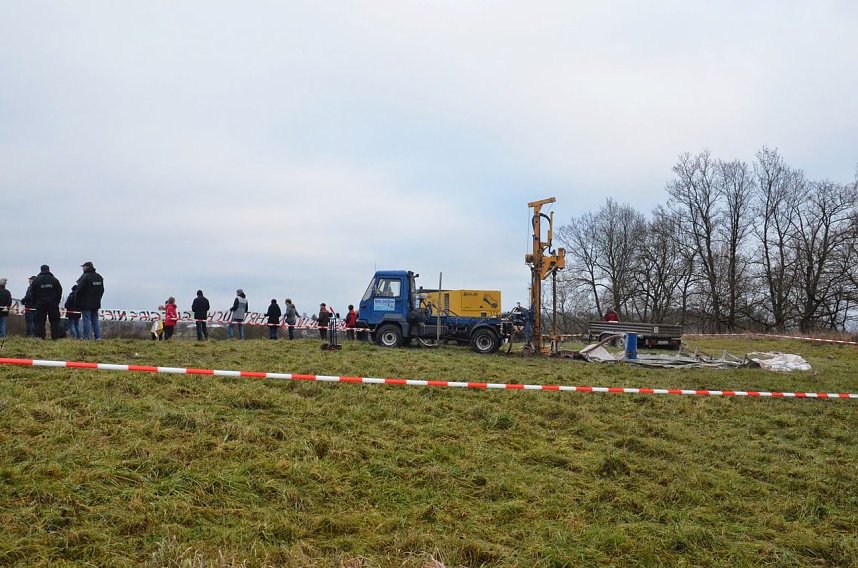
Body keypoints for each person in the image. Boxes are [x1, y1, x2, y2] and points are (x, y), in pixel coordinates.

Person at [32, 264, 63, 340]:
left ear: (41, 270)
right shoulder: (54, 280)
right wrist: (57, 301)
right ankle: (55, 337)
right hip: (53, 303)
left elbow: (33, 292)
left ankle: (41, 337)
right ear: (49, 270)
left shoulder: (36, 280)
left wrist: (35, 302)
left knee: (40, 321)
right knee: (55, 321)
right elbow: (59, 291)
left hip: (40, 304)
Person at [76, 261, 105, 340]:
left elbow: (79, 290)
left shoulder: (85, 276)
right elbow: (102, 290)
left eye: (83, 267)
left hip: (86, 303)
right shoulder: (99, 277)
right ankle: (98, 337)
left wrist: (77, 301)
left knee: (86, 320)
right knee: (95, 320)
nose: (82, 268)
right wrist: (98, 298)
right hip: (96, 302)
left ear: (86, 267)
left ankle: (87, 337)